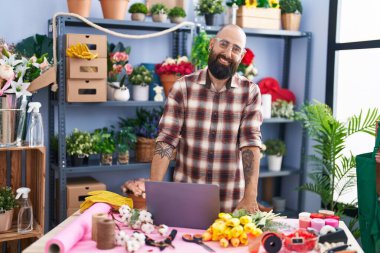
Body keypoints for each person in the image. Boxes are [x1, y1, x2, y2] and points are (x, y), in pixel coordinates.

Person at [150, 24, 263, 213]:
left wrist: (250, 196)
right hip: (186, 201)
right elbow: (166, 141)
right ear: (212, 44)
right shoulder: (183, 87)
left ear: (241, 56)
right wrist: (154, 194)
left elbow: (250, 143)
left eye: (235, 49)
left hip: (232, 206)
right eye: (224, 44)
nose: (227, 53)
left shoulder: (250, 92)